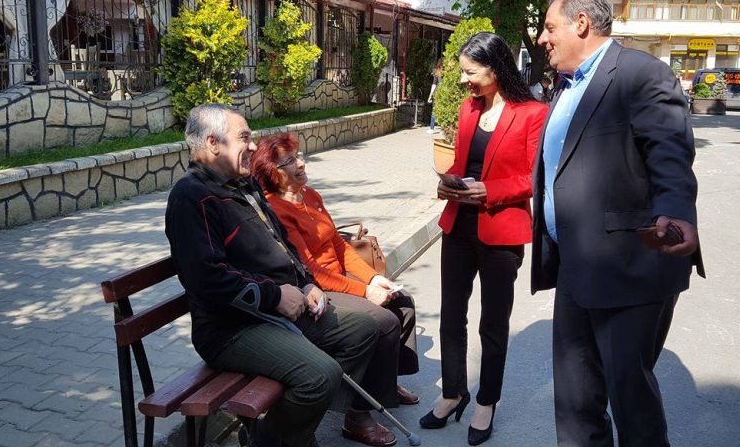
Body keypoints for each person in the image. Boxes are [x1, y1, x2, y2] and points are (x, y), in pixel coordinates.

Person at [165, 103, 397, 447]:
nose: (253, 146)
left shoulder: (242, 184)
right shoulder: (191, 197)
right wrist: (275, 296)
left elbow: (283, 243)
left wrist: (306, 283)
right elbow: (206, 278)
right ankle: (275, 438)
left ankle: (296, 429)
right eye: (244, 137)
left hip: (278, 308)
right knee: (320, 375)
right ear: (213, 143)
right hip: (232, 328)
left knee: (364, 329)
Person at [532, 0, 704, 447]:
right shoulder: (566, 85)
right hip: (575, 263)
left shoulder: (641, 74)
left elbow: (669, 152)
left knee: (631, 401)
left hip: (629, 265)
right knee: (575, 399)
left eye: (549, 28)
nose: (542, 38)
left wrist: (676, 212)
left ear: (581, 23)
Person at [422, 32, 548, 445]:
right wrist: (450, 183)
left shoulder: (532, 113)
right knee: (451, 315)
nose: (464, 81)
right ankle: (453, 392)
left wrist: (489, 191)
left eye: (470, 72)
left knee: (493, 323)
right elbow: (462, 163)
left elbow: (533, 177)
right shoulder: (468, 108)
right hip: (458, 224)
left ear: (496, 69)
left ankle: (486, 401)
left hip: (502, 231)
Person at [251, 132, 421, 408]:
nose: (301, 163)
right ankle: (359, 413)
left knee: (403, 302)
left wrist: (374, 277)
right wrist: (365, 291)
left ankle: (386, 383)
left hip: (339, 278)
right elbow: (310, 269)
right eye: (290, 161)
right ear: (272, 173)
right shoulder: (278, 210)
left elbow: (339, 245)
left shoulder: (310, 195)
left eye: (299, 155)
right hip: (317, 288)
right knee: (384, 321)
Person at [427, 59, 444, 132]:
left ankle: (431, 128)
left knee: (434, 110)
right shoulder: (448, 72)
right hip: (444, 92)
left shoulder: (437, 72)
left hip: (437, 93)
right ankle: (444, 127)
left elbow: (434, 84)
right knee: (444, 109)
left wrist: (430, 96)